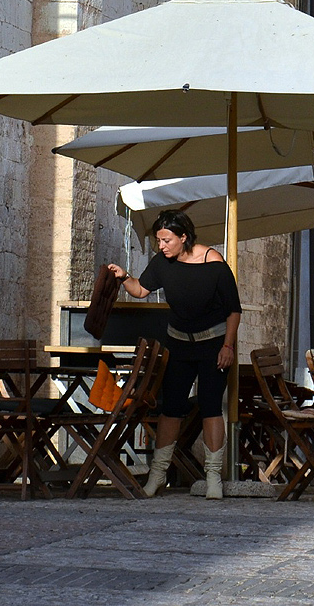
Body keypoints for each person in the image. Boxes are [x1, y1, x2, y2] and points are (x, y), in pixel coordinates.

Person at [106, 210, 241, 500]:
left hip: (213, 345)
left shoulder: (213, 263)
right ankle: (157, 476)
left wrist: (228, 347)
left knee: (210, 406)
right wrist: (123, 277)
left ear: (184, 237)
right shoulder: (162, 263)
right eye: (158, 240)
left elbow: (233, 310)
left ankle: (213, 477)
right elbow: (140, 290)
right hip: (178, 344)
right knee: (172, 408)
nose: (161, 246)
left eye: (167, 240)